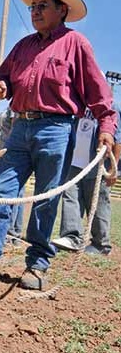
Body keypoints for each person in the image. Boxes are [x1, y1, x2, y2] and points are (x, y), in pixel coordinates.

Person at [0, 0, 117, 290]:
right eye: (32, 7)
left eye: (43, 6)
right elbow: (4, 79)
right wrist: (2, 87)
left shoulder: (75, 44)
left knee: (46, 198)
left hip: (57, 128)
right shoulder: (23, 46)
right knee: (2, 191)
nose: (35, 12)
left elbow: (99, 93)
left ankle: (37, 266)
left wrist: (107, 127)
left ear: (62, 10)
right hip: (19, 126)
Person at [52, 103, 121, 256]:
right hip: (74, 162)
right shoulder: (77, 104)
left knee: (97, 204)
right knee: (70, 198)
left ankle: (101, 244)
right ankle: (72, 237)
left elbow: (118, 139)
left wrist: (113, 169)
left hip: (97, 164)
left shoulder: (111, 107)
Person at [0, 107, 25, 246]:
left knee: (12, 194)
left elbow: (14, 128)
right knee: (18, 194)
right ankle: (14, 232)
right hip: (7, 151)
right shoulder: (10, 107)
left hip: (11, 153)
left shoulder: (16, 107)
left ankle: (9, 232)